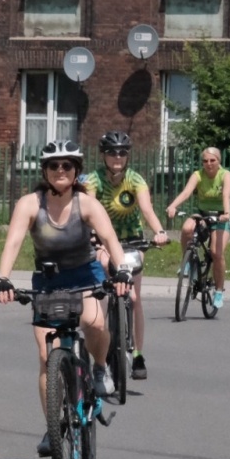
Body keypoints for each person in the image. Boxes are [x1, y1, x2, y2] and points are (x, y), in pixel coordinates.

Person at [0, 140, 130, 457]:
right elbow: (13, 242)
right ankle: (53, 426)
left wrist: (121, 270)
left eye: (66, 165)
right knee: (45, 357)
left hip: (86, 276)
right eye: (53, 166)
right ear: (44, 170)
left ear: (76, 170)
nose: (60, 171)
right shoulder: (30, 204)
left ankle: (98, 368)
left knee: (94, 323)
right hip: (48, 281)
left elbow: (109, 238)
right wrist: (3, 278)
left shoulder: (87, 203)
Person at [79, 130, 169, 380]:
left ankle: (138, 352)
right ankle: (101, 339)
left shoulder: (135, 180)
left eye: (122, 152)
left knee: (134, 296)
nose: (117, 157)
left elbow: (147, 210)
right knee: (104, 293)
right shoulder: (93, 180)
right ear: (104, 155)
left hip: (132, 241)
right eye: (112, 152)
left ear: (127, 156)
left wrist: (159, 231)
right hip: (105, 241)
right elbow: (88, 209)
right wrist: (93, 239)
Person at [164, 146, 230, 309]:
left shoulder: (225, 175)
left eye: (212, 160)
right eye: (205, 161)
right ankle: (188, 262)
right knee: (187, 228)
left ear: (219, 161)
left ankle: (218, 291)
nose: (208, 164)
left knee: (217, 253)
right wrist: (173, 206)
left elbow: (226, 194)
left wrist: (226, 212)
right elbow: (186, 192)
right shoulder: (198, 175)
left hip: (221, 216)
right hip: (202, 213)